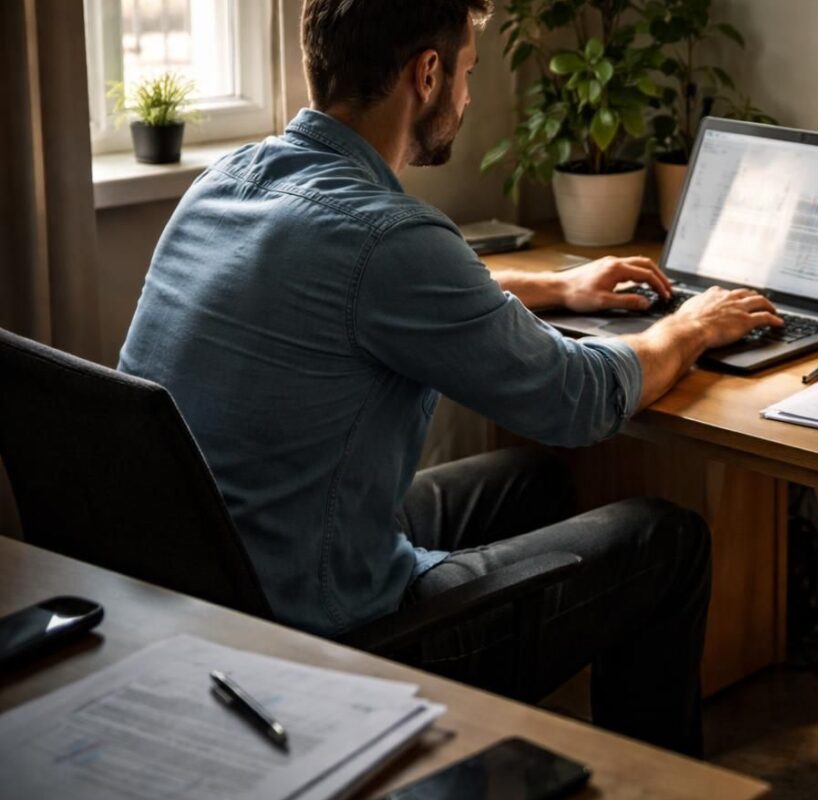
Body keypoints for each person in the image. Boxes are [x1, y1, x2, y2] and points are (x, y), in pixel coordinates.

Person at [117, 0, 783, 756]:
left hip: (209, 586)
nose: (467, 96)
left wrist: (556, 287)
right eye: (468, 72)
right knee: (668, 541)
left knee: (532, 481)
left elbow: (376, 290)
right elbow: (581, 399)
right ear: (426, 74)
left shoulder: (230, 178)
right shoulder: (390, 237)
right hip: (319, 640)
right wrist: (689, 327)